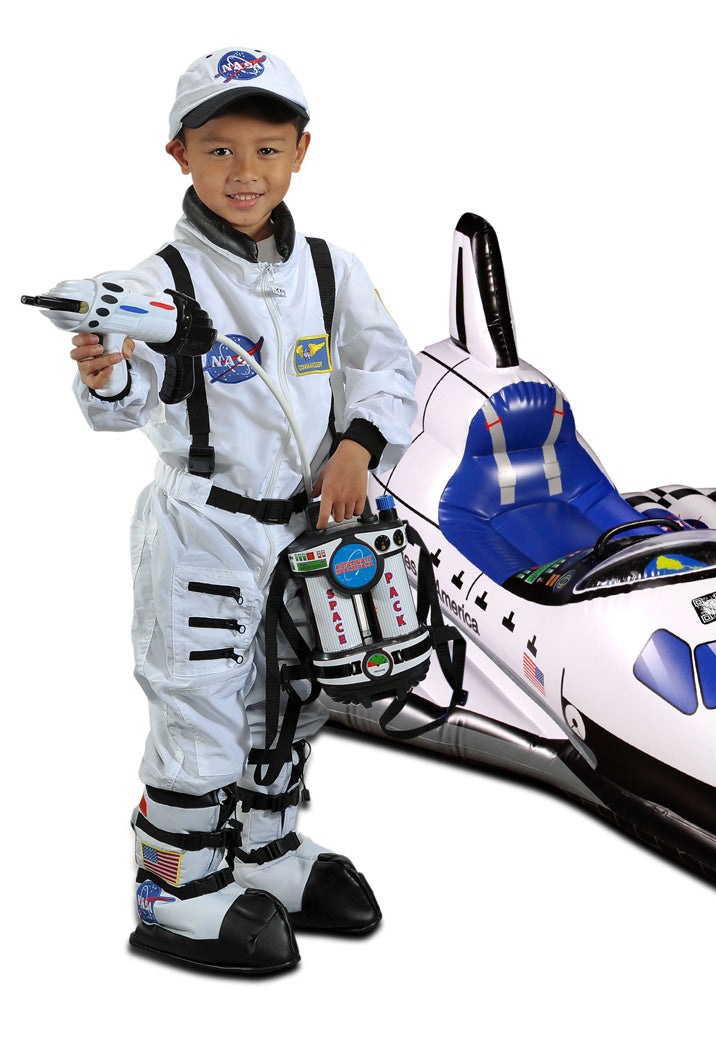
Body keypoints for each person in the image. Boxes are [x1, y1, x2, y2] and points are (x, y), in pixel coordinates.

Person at [68, 47, 419, 974]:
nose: (244, 171)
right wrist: (107, 375)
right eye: (219, 149)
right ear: (179, 154)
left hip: (307, 530)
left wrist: (357, 448)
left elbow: (388, 367)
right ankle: (177, 887)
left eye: (267, 149)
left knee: (290, 696)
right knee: (203, 706)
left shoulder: (331, 270)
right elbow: (123, 403)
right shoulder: (158, 283)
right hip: (207, 532)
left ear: (302, 151)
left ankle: (265, 848)